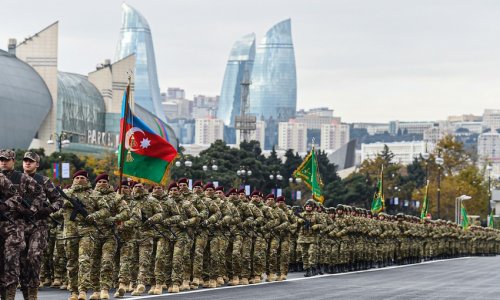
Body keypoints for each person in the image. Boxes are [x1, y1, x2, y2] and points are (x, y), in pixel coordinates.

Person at [0, 149, 45, 300]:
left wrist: (33, 210)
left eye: (6, 159)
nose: (3, 162)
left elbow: (40, 192)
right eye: (1, 160)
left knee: (13, 262)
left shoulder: (21, 178)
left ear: (13, 161)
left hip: (15, 226)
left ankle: (13, 296)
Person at [20, 151, 63, 300]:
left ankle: (33, 293)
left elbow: (58, 201)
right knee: (21, 261)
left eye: (31, 161)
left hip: (38, 225)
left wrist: (47, 210)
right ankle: (26, 292)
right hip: (18, 226)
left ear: (37, 164)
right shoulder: (15, 179)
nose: (27, 163)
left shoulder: (44, 181)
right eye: (25, 161)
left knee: (34, 257)